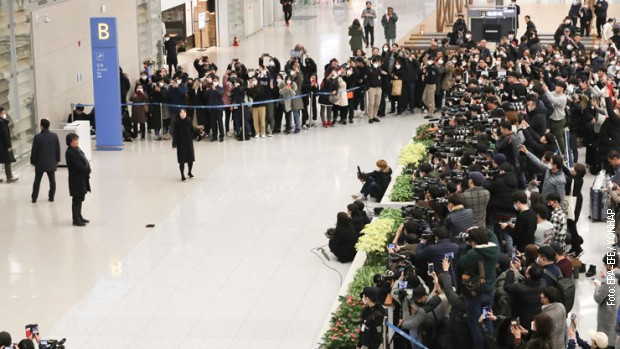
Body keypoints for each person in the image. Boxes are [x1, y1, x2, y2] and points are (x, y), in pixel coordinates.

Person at [458, 227, 500, 349]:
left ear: (473, 241)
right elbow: (493, 236)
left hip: (475, 293)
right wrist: (480, 230)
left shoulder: (473, 254)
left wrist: (466, 246)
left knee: (475, 323)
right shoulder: (495, 248)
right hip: (489, 291)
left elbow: (461, 261)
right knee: (487, 317)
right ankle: (490, 343)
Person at [503, 261, 545, 331]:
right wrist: (520, 268)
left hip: (521, 316)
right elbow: (531, 277)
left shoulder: (520, 288)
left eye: (527, 269)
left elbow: (507, 286)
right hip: (536, 313)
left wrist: (511, 270)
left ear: (528, 275)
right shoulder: (543, 283)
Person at [30, 119, 60, 203]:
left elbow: (34, 151)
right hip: (51, 162)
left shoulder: (37, 137)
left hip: (40, 163)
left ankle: (34, 197)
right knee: (52, 181)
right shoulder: (54, 136)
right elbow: (57, 149)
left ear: (41, 126)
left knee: (37, 180)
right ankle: (51, 196)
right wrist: (57, 160)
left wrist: (33, 161)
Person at [65, 133, 91, 227]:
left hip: (81, 178)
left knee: (80, 198)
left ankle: (79, 216)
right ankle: (75, 219)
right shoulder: (70, 152)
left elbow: (84, 160)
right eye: (74, 140)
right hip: (76, 179)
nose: (77, 141)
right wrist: (86, 169)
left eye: (77, 139)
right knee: (76, 199)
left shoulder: (77, 150)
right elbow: (77, 166)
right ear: (70, 142)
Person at [594, 252, 619, 347]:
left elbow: (598, 298)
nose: (604, 266)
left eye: (605, 264)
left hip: (608, 317)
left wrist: (597, 287)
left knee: (606, 342)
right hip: (617, 312)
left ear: (609, 265)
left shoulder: (609, 280)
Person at [172, 109, 195, 182]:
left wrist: (199, 135)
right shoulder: (176, 122)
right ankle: (182, 175)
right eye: (181, 112)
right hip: (180, 142)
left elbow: (192, 130)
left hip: (188, 141)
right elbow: (175, 134)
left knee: (190, 159)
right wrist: (174, 144)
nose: (183, 114)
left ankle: (189, 172)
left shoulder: (189, 120)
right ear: (179, 114)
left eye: (184, 112)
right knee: (182, 160)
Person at [0, 107, 17, 183]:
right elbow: (5, 135)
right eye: (3, 113)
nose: (4, 114)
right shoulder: (2, 123)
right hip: (3, 145)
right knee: (7, 160)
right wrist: (9, 146)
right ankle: (9, 177)